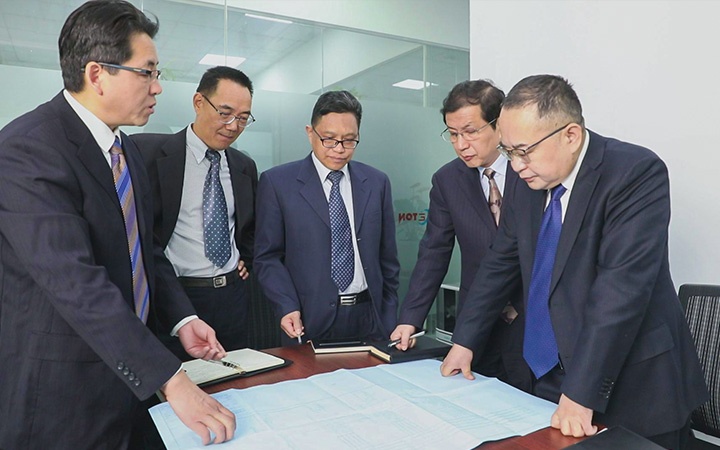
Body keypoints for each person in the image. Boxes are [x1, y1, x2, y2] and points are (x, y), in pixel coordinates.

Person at [0, 1, 235, 448]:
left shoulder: (125, 151)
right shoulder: (28, 150)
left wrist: (182, 318)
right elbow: (76, 284)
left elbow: (145, 251)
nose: (158, 87)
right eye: (147, 72)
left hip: (128, 385)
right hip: (64, 396)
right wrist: (170, 379)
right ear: (97, 74)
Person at [440, 74, 707, 449]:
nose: (516, 165)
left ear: (570, 135)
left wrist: (581, 392)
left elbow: (620, 291)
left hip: (632, 386)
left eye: (524, 151)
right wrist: (465, 341)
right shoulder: (527, 183)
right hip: (550, 375)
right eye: (508, 151)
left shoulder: (634, 173)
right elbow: (500, 263)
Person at [390, 80, 531, 392]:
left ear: (499, 124)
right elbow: (434, 252)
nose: (461, 144)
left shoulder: (532, 171)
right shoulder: (447, 180)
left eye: (470, 132)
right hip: (477, 325)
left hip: (532, 318)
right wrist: (410, 318)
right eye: (453, 134)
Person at [254, 90, 400, 344]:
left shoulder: (377, 182)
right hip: (307, 320)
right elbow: (267, 257)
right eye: (329, 139)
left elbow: (388, 259)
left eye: (349, 140)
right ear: (310, 133)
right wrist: (286, 305)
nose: (339, 150)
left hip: (370, 317)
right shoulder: (278, 183)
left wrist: (388, 316)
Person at [133, 66, 258, 360]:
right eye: (225, 113)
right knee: (180, 381)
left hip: (232, 298)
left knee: (236, 378)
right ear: (199, 102)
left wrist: (247, 259)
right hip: (176, 297)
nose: (233, 126)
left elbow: (250, 227)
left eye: (243, 118)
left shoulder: (244, 166)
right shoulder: (148, 154)